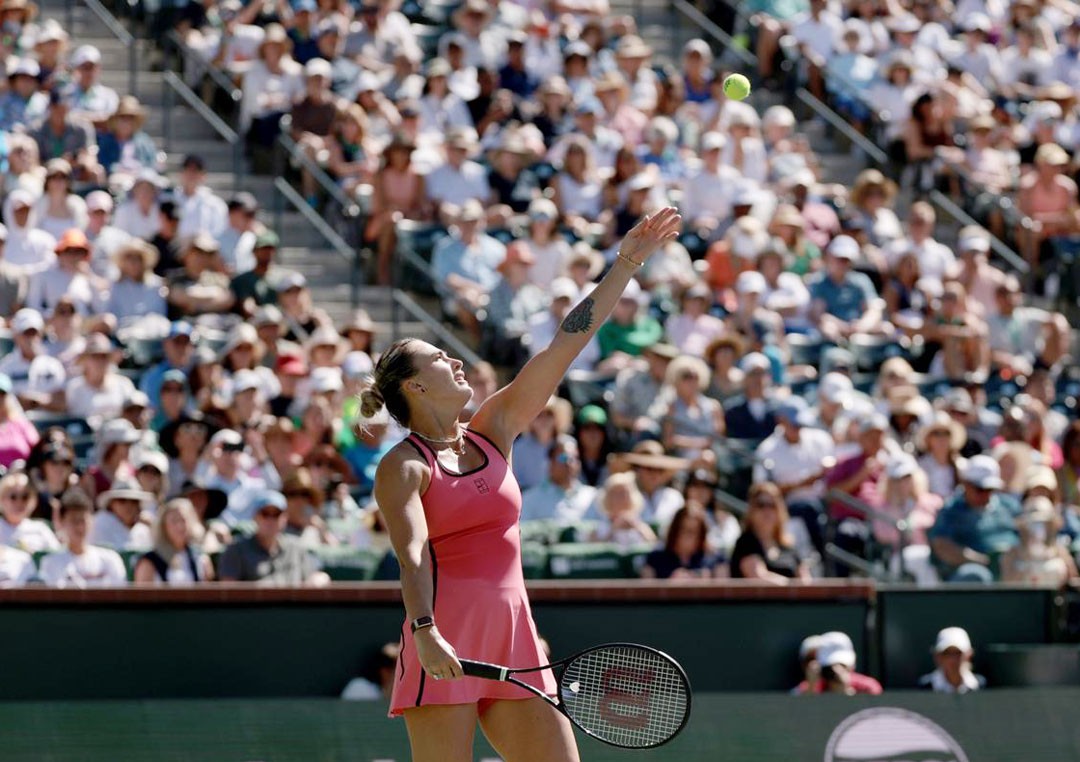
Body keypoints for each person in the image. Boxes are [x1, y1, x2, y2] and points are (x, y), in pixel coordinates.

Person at [364, 207, 680, 761]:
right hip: (442, 635)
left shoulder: (494, 429)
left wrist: (626, 263)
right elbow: (411, 555)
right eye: (440, 358)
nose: (456, 361)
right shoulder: (403, 465)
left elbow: (565, 343)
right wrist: (424, 629)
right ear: (415, 385)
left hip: (516, 637)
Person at [929, 455, 1021, 583]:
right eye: (980, 489)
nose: (986, 494)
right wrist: (982, 560)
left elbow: (1027, 534)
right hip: (973, 572)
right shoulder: (951, 510)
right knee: (975, 575)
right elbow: (941, 545)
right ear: (966, 484)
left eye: (990, 489)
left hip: (1014, 566)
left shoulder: (1009, 506)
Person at [218, 489, 330, 585]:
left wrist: (318, 579)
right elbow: (228, 591)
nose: (270, 520)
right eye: (265, 513)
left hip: (292, 608)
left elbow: (318, 576)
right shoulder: (236, 550)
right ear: (255, 517)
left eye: (276, 514)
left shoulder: (296, 548)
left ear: (285, 517)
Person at [39, 489, 129, 587]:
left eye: (83, 520)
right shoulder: (51, 563)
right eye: (74, 521)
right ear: (62, 522)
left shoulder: (111, 559)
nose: (79, 527)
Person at [730, 482, 810, 584]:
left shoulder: (788, 546)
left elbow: (805, 580)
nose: (767, 510)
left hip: (792, 599)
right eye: (761, 505)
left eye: (772, 505)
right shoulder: (746, 543)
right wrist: (792, 588)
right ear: (751, 510)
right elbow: (758, 577)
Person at [133, 498, 214, 584]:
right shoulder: (148, 562)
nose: (180, 526)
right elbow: (142, 595)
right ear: (164, 526)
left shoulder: (201, 559)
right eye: (174, 521)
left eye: (183, 520)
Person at [519, 435, 598, 524]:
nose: (569, 463)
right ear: (550, 463)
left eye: (574, 458)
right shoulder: (530, 499)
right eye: (564, 458)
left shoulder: (593, 497)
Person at [640, 506, 721, 579]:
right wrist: (670, 584)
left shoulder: (714, 560)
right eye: (682, 529)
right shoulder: (655, 559)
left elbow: (725, 591)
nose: (686, 536)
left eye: (692, 531)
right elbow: (646, 591)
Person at [0, 471, 60, 553]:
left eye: (25, 497)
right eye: (13, 497)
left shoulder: (40, 529)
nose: (19, 502)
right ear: (2, 499)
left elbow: (56, 556)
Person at [918, 627, 986, 693]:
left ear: (969, 655)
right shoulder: (924, 687)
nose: (953, 659)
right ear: (937, 656)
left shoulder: (982, 685)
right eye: (946, 653)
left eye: (958, 653)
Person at [90, 480, 153, 551]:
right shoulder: (99, 523)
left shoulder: (143, 529)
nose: (128, 505)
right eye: (122, 500)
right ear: (111, 503)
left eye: (134, 501)